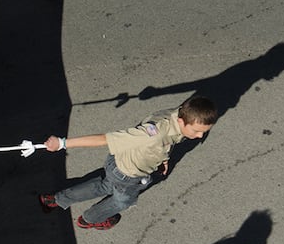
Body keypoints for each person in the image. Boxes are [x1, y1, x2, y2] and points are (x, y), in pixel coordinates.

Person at [39, 96, 219, 230]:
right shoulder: (153, 133)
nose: (200, 137)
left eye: (204, 132)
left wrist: (164, 158)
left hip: (117, 163)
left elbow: (167, 143)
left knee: (104, 185)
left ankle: (56, 199)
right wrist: (62, 143)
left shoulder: (177, 115)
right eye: (197, 131)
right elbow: (104, 139)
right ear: (181, 121)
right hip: (128, 175)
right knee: (122, 202)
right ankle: (90, 219)